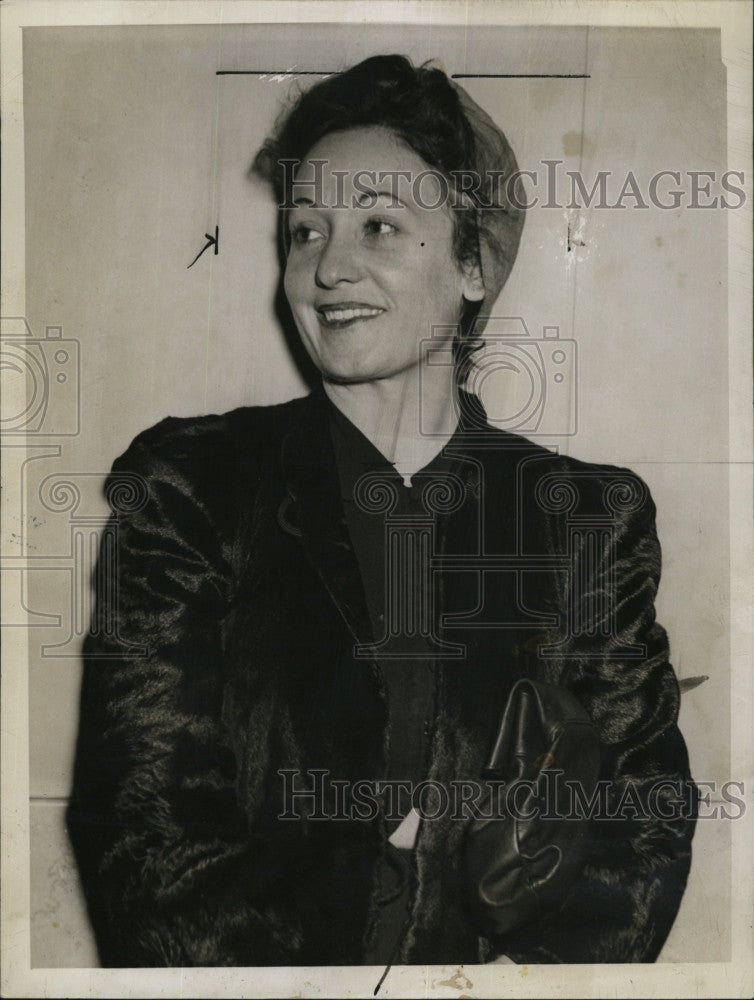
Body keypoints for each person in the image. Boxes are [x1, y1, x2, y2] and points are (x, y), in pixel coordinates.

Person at [67, 54, 696, 968]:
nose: (330, 268)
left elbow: (640, 830)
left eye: (379, 226)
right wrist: (372, 914)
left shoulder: (584, 519)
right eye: (306, 231)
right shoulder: (193, 485)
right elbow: (142, 835)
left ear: (474, 262)